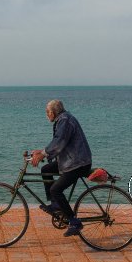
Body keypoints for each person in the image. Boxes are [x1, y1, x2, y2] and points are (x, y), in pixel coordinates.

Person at [30, 99, 92, 237]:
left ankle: (74, 222)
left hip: (78, 163)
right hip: (70, 161)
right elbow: (58, 143)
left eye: (47, 112)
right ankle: (55, 205)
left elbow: (59, 142)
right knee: (45, 170)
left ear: (52, 112)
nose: (47, 115)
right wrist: (41, 152)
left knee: (56, 189)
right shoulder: (63, 119)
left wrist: (42, 154)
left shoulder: (65, 121)